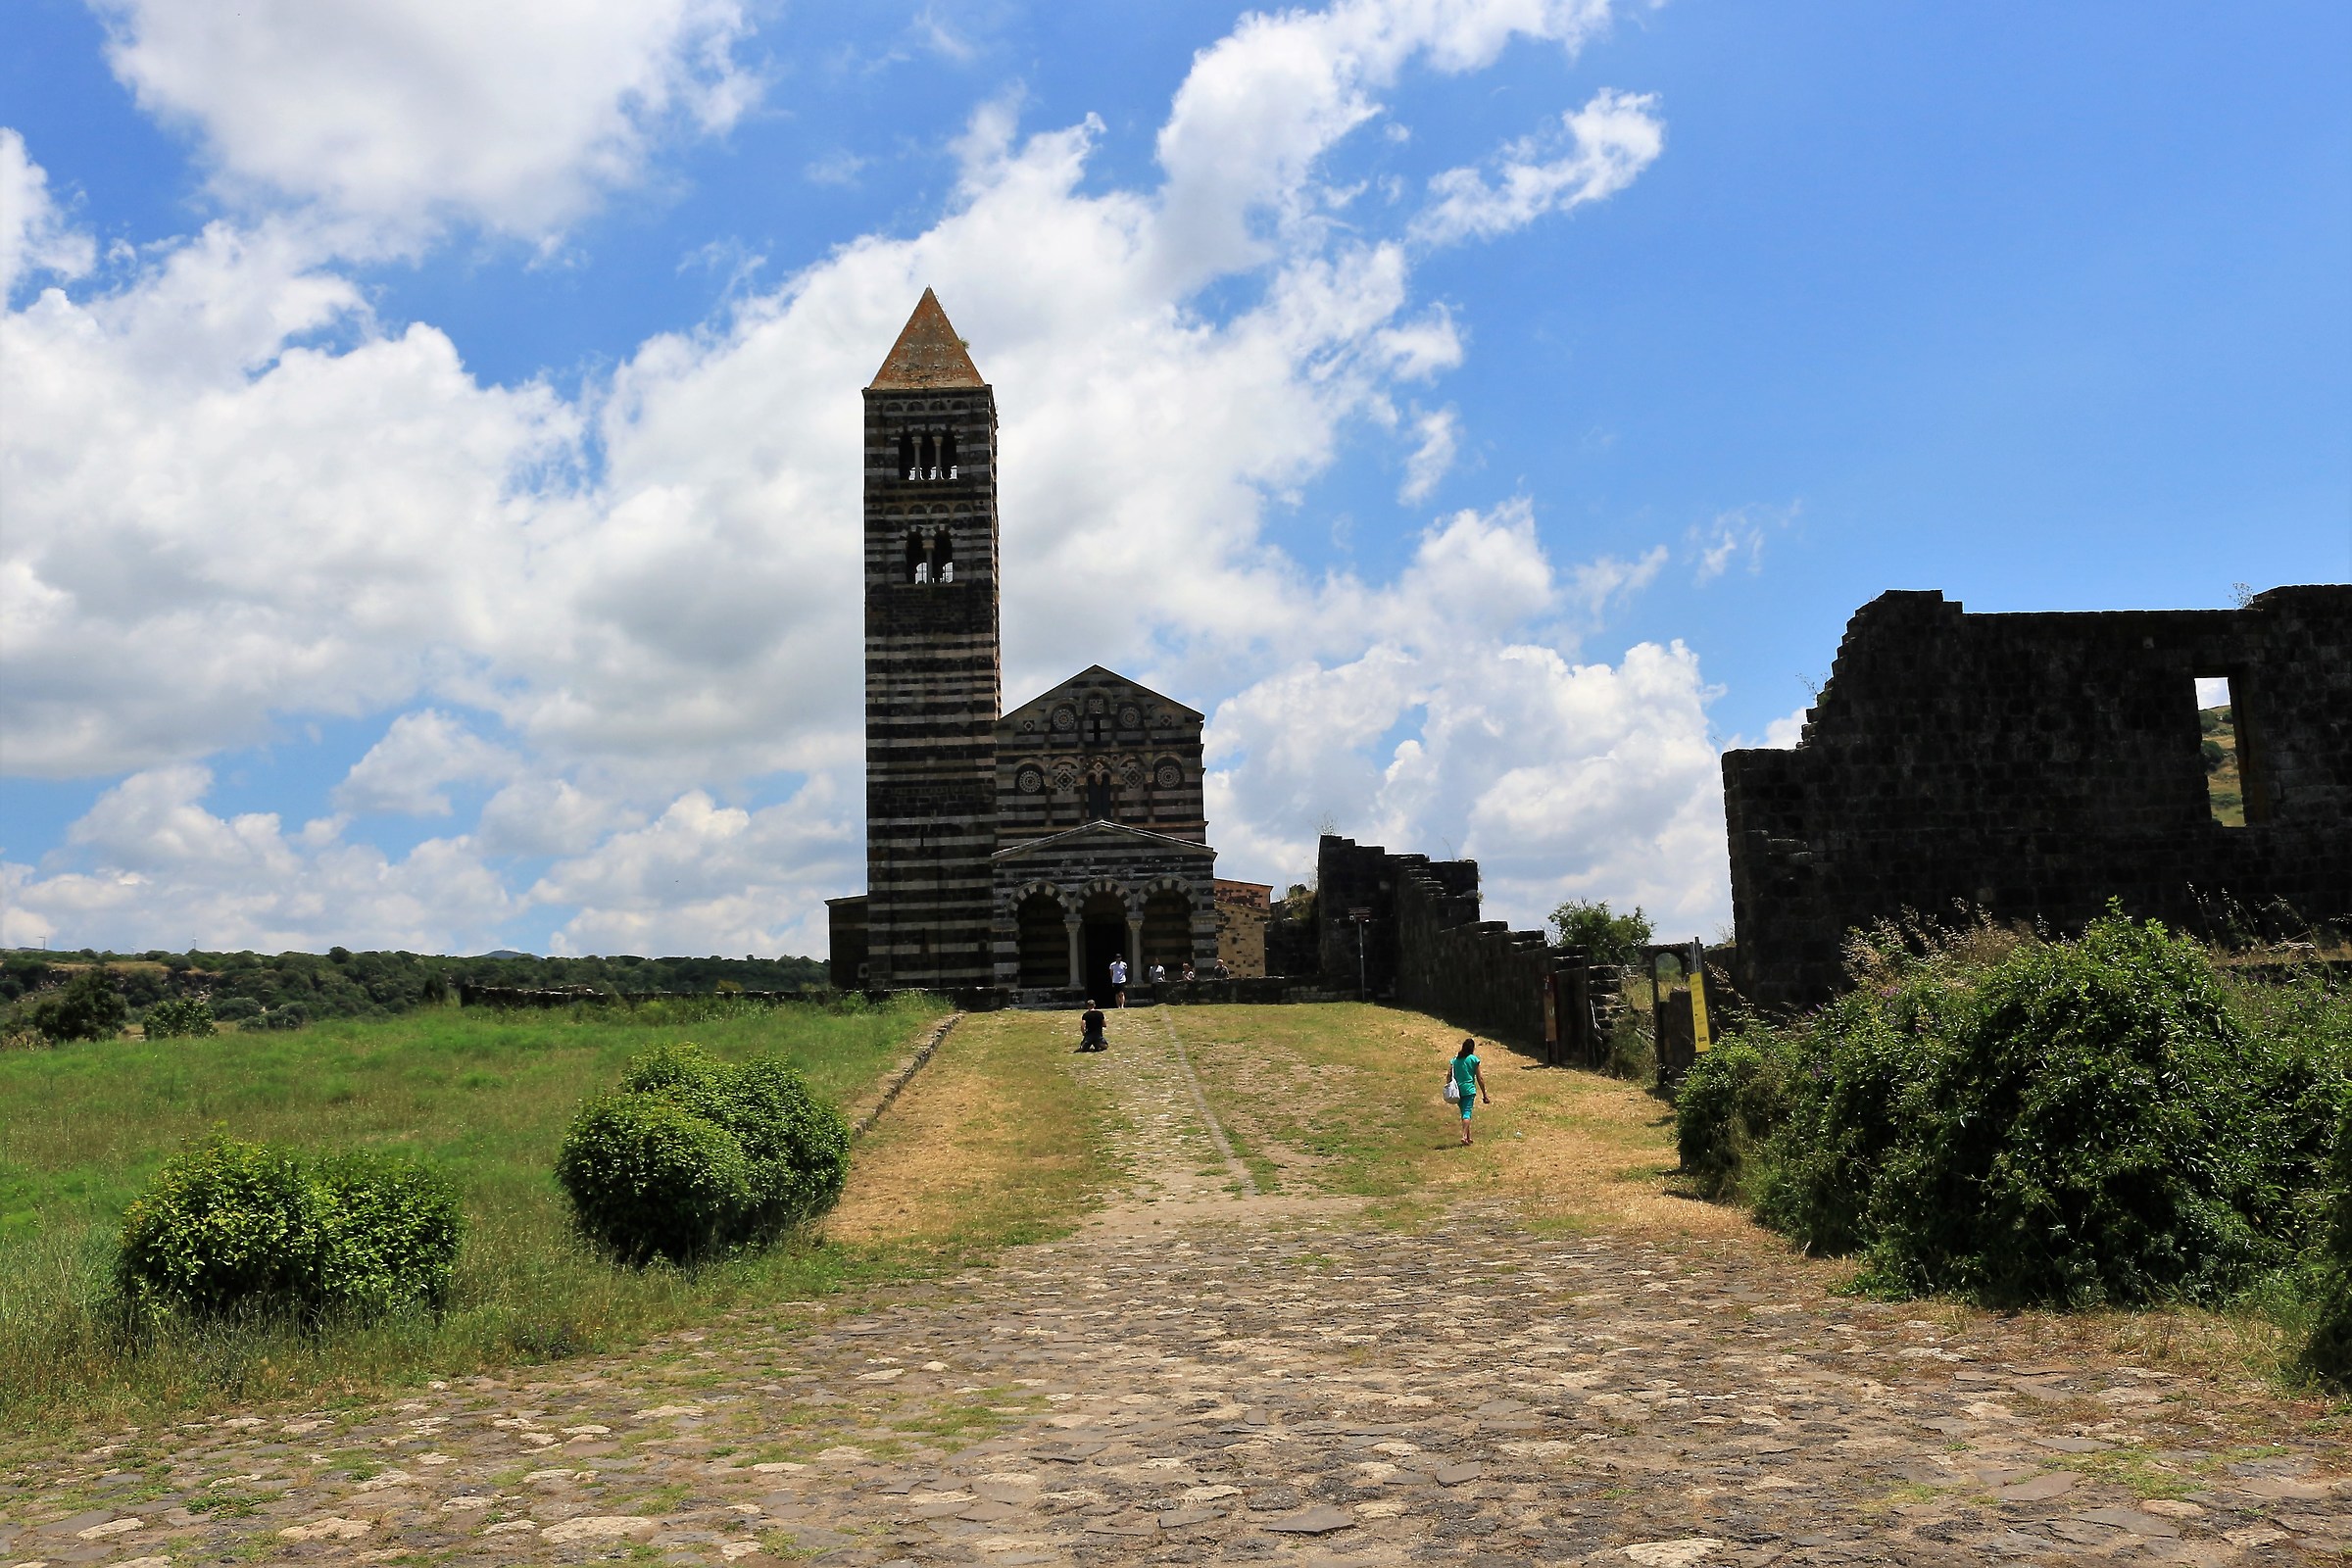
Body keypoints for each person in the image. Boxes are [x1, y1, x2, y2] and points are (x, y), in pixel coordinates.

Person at [1449, 1037, 1490, 1146]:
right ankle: (1463, 1136)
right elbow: (1479, 1078)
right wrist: (1484, 1093)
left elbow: (1449, 1074)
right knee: (1467, 1113)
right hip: (1469, 1090)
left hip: (1458, 1090)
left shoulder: (1455, 1060)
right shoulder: (1473, 1059)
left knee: (1464, 1113)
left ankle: (1468, 1137)